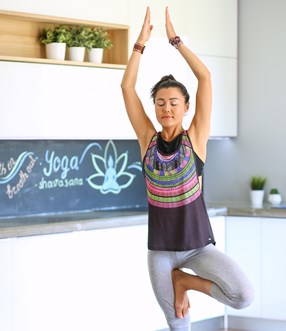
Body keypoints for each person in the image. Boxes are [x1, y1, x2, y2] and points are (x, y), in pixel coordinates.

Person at [121, 7, 254, 331]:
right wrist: (139, 45)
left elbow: (205, 77)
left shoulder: (195, 138)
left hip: (197, 249)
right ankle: (177, 281)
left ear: (186, 107)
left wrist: (175, 41)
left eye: (174, 103)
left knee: (242, 295)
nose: (166, 108)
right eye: (160, 102)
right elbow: (127, 88)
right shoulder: (146, 140)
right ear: (154, 107)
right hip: (161, 252)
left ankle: (184, 282)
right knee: (178, 324)